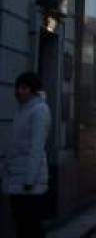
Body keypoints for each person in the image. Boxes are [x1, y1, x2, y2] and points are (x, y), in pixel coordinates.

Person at [2, 72, 51, 238]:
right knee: (21, 225)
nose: (20, 91)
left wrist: (29, 179)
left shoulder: (39, 110)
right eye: (18, 87)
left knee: (31, 226)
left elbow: (36, 148)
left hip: (29, 181)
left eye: (24, 87)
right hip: (16, 177)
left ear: (33, 89)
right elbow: (14, 145)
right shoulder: (21, 111)